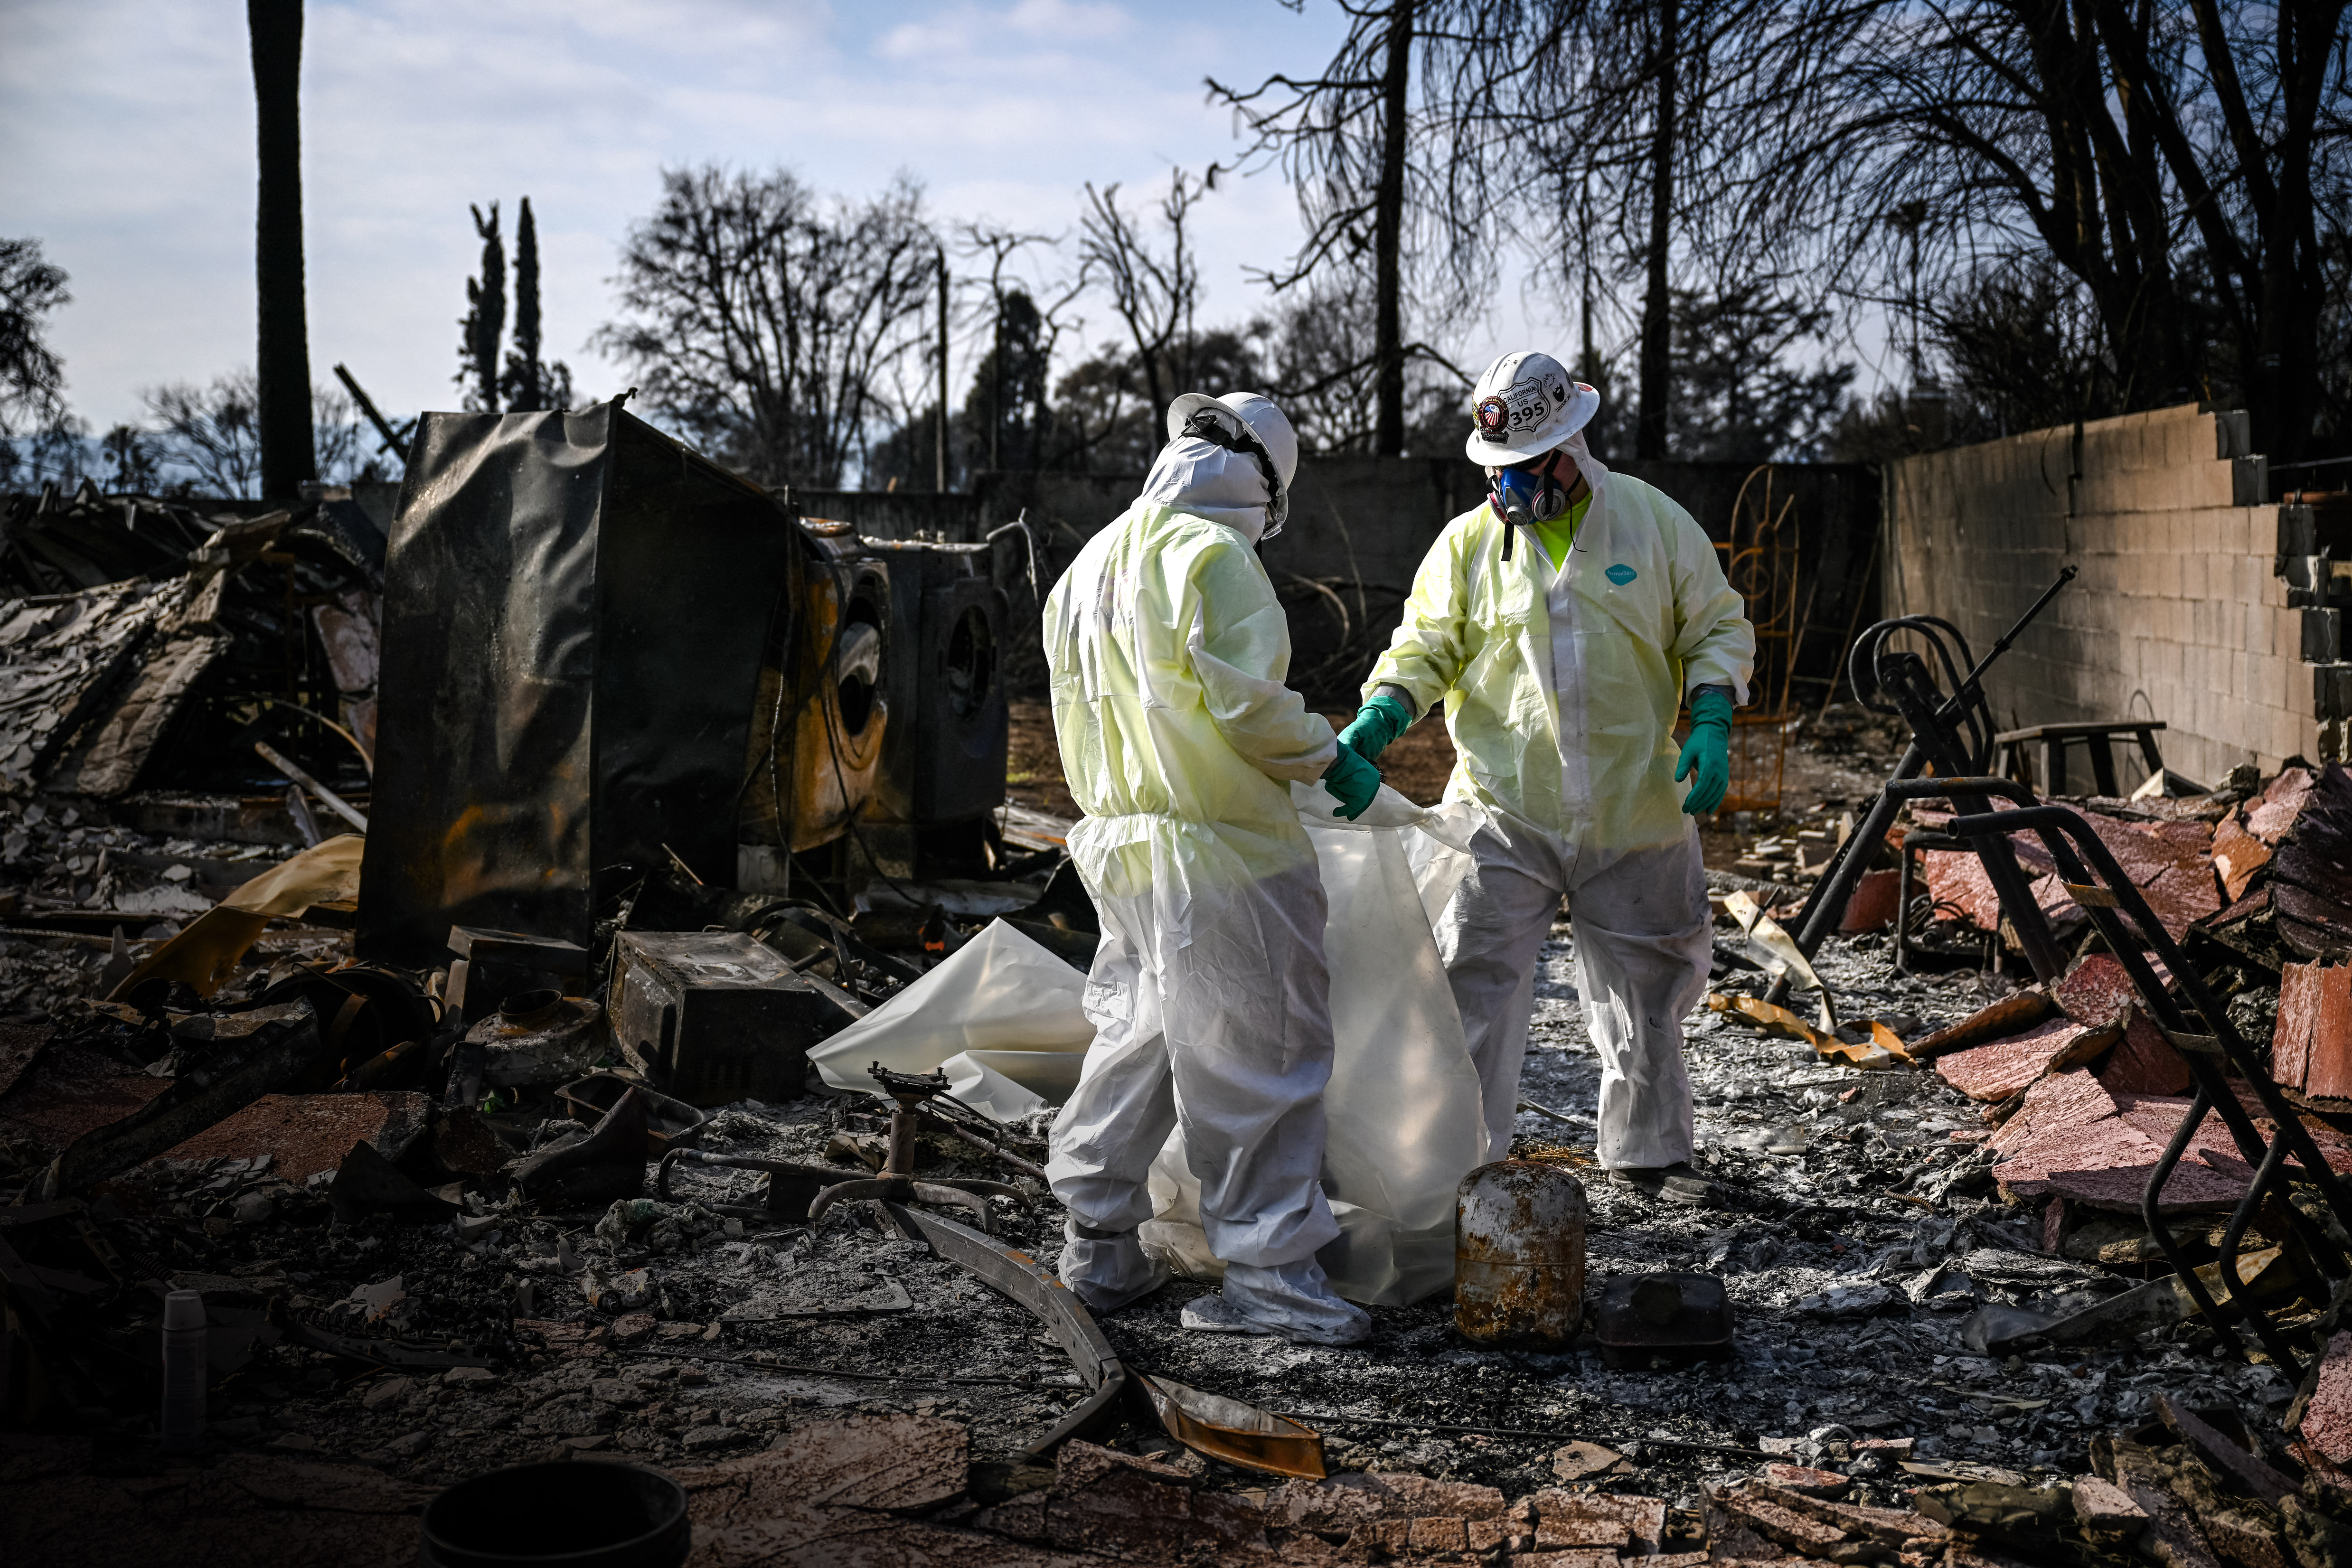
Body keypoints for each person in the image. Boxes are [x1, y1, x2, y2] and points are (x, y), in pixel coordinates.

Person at [1340, 351, 1753, 1192]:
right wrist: (1384, 710)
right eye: (1497, 472)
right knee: (1466, 985)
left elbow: (1714, 626)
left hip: (1634, 803)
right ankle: (1455, 1167)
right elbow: (1425, 644)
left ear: (1572, 448)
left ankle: (1648, 1156)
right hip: (1502, 805)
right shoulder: (1467, 546)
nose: (1510, 490)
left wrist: (1711, 719)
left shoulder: (1651, 523)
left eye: (1525, 470)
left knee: (1647, 988)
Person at [1041, 391, 1382, 1344]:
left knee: (1136, 1040)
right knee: (1260, 1056)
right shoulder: (1214, 558)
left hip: (1120, 844)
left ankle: (1097, 1244)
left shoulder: (1090, 563)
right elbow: (1247, 710)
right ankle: (1271, 1279)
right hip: (1221, 848)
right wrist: (1330, 757)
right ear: (1265, 488)